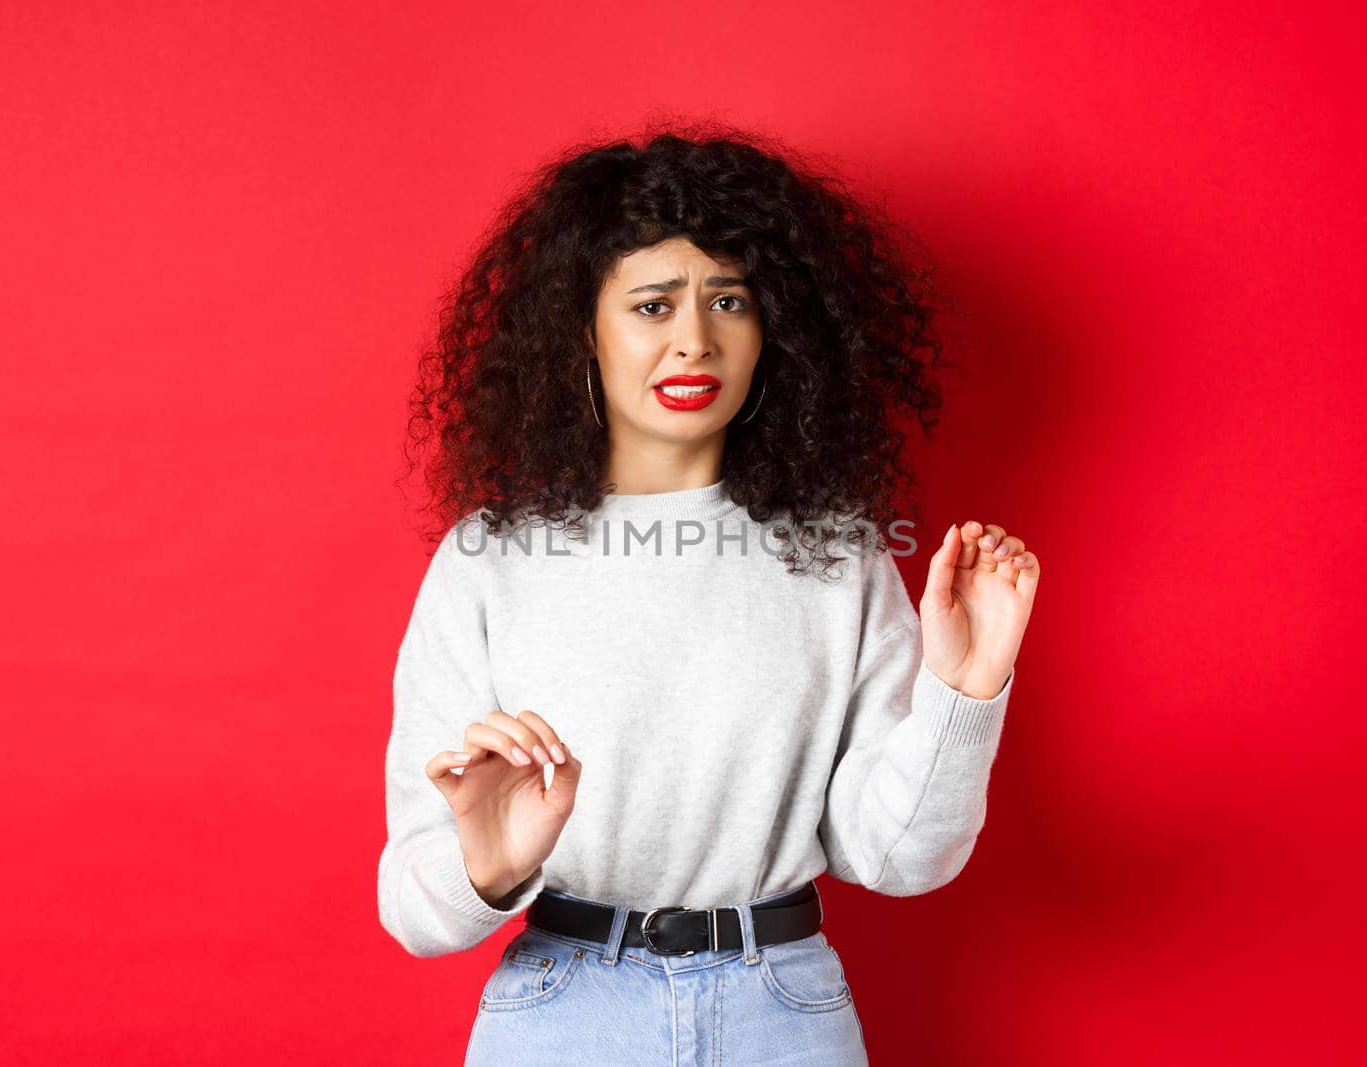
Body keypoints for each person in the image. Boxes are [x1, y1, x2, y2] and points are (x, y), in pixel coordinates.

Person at [377, 124, 1041, 1066]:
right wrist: (487, 861)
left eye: (728, 299)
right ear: (584, 329)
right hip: (564, 1014)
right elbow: (412, 909)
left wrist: (960, 694)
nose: (695, 339)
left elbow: (896, 860)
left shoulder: (838, 553)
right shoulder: (490, 558)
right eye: (652, 304)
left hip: (785, 1013)